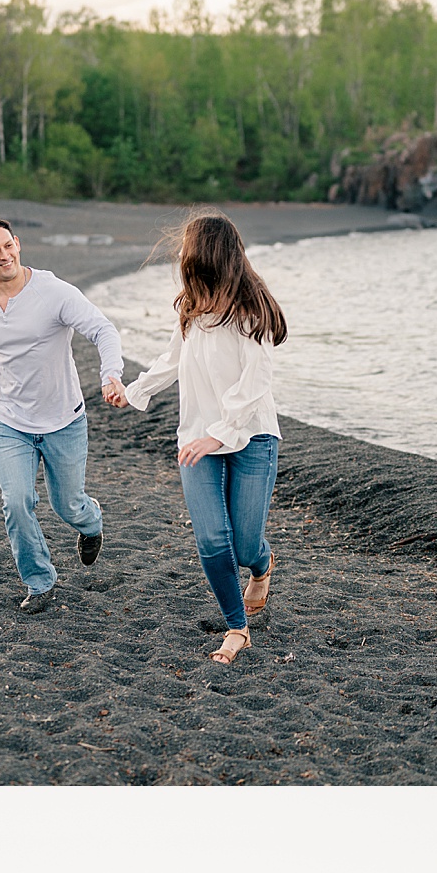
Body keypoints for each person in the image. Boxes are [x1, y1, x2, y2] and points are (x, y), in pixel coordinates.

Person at [112, 215, 286, 665]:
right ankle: (237, 627)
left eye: (194, 267)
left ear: (217, 263)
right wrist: (134, 392)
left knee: (245, 544)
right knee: (212, 540)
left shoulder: (252, 311)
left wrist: (219, 435)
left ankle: (263, 567)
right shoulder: (190, 307)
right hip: (196, 440)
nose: (188, 275)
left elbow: (256, 383)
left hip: (251, 434)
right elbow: (172, 360)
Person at [0, 217, 128, 613]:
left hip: (64, 420)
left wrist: (111, 375)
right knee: (16, 501)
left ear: (18, 243)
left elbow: (104, 330)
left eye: (8, 246)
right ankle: (40, 582)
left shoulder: (53, 291)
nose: (4, 256)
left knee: (67, 504)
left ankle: (90, 522)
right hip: (11, 423)